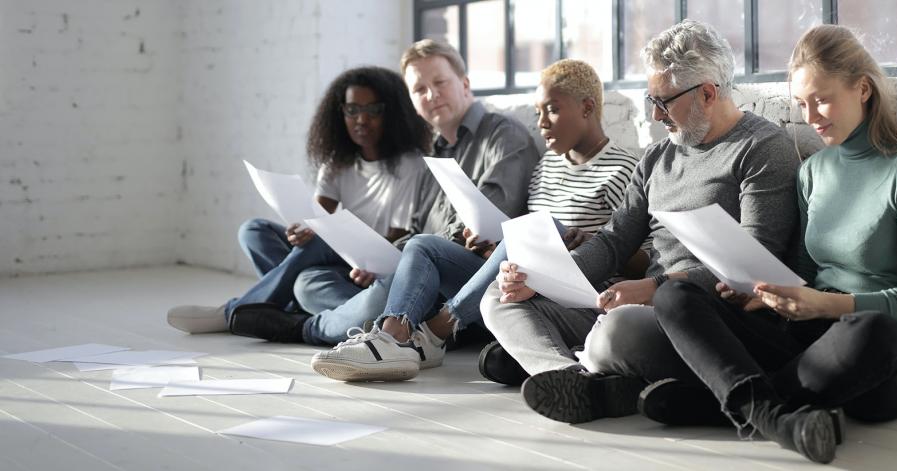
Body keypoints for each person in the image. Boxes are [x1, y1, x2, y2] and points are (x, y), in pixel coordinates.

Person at [580, 24, 897, 464]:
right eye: (802, 104)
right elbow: (802, 274)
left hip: (874, 352)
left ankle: (727, 405)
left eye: (822, 99)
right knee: (677, 291)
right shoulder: (814, 172)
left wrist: (825, 305)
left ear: (863, 89)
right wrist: (765, 294)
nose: (811, 116)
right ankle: (773, 416)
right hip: (806, 338)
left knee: (875, 332)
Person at [481, 19, 802, 425]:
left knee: (617, 330)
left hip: (698, 320)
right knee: (499, 297)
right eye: (650, 99)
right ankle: (573, 379)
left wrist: (654, 289)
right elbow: (615, 240)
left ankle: (580, 369)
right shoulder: (656, 158)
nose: (654, 114)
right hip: (631, 307)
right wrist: (543, 278)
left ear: (707, 93)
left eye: (664, 101)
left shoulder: (761, 150)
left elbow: (755, 266)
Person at [309, 59, 643, 382]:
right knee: (423, 245)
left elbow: (643, 257)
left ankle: (432, 334)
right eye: (538, 112)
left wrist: (594, 242)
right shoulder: (547, 166)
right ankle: (391, 337)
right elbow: (524, 239)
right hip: (518, 285)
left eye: (552, 110)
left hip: (576, 295)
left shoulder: (623, 170)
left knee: (545, 229)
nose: (541, 123)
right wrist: (493, 246)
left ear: (587, 108)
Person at [236, 39, 540, 347]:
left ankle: (306, 327)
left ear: (464, 83)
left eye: (440, 83)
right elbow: (417, 228)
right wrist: (381, 260)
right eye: (420, 90)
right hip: (421, 272)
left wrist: (407, 259)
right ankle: (365, 315)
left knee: (392, 280)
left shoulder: (503, 136)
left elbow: (483, 226)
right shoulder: (434, 152)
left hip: (469, 276)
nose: (431, 95)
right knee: (309, 283)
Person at [165, 66, 431, 344]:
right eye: (352, 110)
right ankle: (285, 306)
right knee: (255, 231)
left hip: (372, 267)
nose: (361, 119)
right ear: (340, 113)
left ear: (392, 114)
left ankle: (236, 311)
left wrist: (325, 237)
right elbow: (317, 217)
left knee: (313, 264)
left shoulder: (409, 165)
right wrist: (301, 231)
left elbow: (397, 238)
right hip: (335, 263)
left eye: (372, 110)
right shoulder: (337, 163)